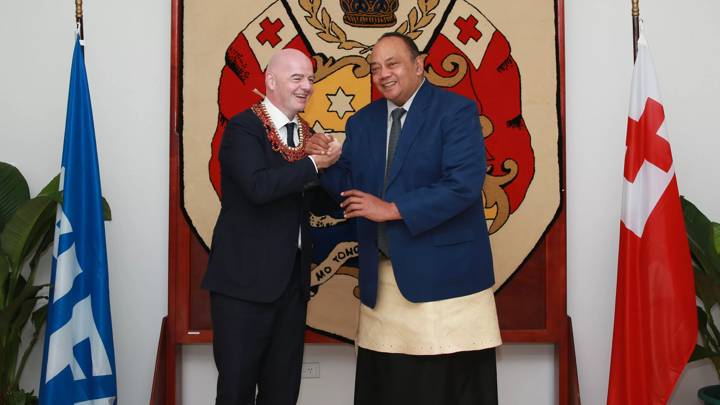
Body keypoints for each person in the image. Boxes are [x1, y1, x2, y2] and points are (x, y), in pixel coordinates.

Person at [309, 32, 502, 405]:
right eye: (375, 68)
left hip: (447, 282)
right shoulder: (361, 123)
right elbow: (350, 191)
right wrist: (325, 163)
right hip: (382, 284)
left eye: (392, 64)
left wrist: (394, 209)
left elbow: (463, 185)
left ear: (419, 64)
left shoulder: (456, 111)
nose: (383, 74)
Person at [202, 48, 340, 405]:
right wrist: (313, 164)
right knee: (236, 392)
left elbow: (318, 201)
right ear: (271, 81)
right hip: (243, 287)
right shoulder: (243, 127)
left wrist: (335, 169)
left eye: (310, 78)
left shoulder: (306, 134)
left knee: (282, 392)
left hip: (291, 286)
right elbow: (258, 187)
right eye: (297, 78)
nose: (307, 86)